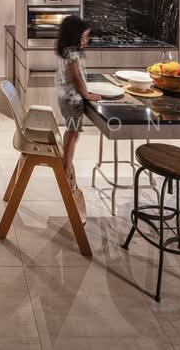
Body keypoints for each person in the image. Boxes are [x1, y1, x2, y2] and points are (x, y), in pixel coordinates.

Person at [55, 15, 101, 223]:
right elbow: (76, 77)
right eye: (84, 37)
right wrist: (87, 94)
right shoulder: (73, 54)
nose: (86, 40)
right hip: (72, 100)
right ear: (74, 36)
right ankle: (66, 166)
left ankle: (67, 161)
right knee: (73, 133)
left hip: (65, 98)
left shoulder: (67, 51)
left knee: (72, 132)